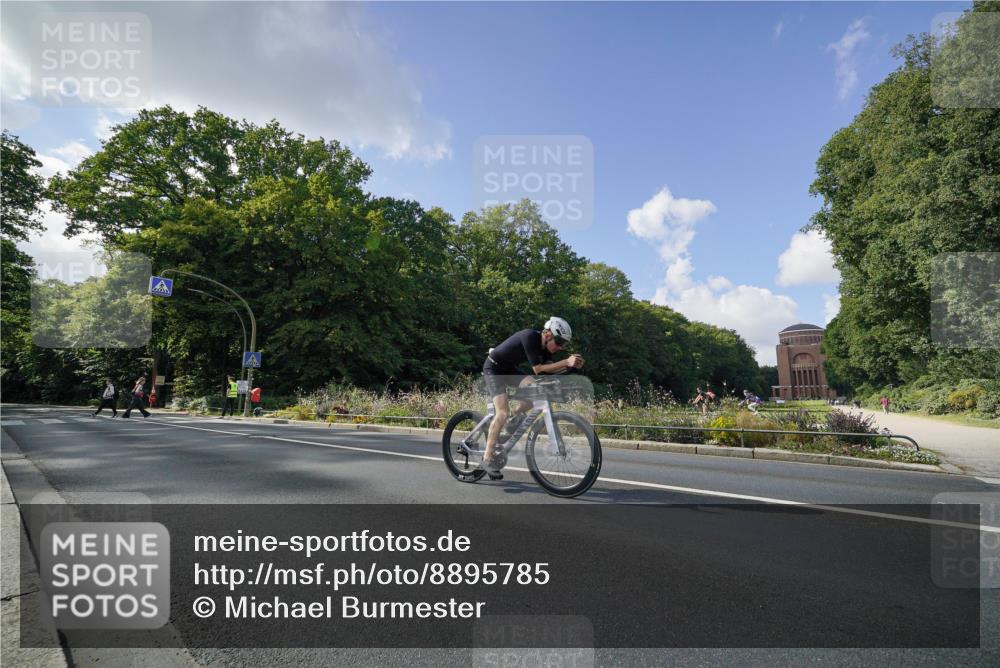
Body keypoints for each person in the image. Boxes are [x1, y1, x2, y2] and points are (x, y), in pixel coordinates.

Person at [480, 317, 584, 480]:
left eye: (563, 344)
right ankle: (487, 458)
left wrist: (571, 368)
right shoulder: (530, 337)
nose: (560, 347)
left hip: (509, 370)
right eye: (559, 342)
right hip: (493, 369)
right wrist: (566, 361)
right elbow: (538, 369)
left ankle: (513, 420)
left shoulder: (546, 350)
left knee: (535, 391)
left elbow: (546, 373)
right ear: (547, 334)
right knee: (502, 412)